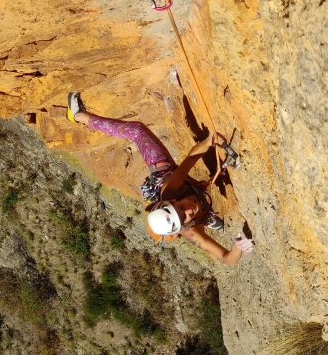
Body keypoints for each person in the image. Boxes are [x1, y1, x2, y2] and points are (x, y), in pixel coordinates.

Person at [67, 92, 253, 265]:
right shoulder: (191, 231)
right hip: (190, 206)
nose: (188, 209)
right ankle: (207, 217)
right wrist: (238, 247)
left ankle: (77, 115)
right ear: (183, 226)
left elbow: (190, 159)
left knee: (138, 131)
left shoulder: (170, 190)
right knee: (198, 205)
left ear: (173, 200)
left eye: (180, 207)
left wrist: (208, 142)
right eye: (185, 216)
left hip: (163, 173)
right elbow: (228, 259)